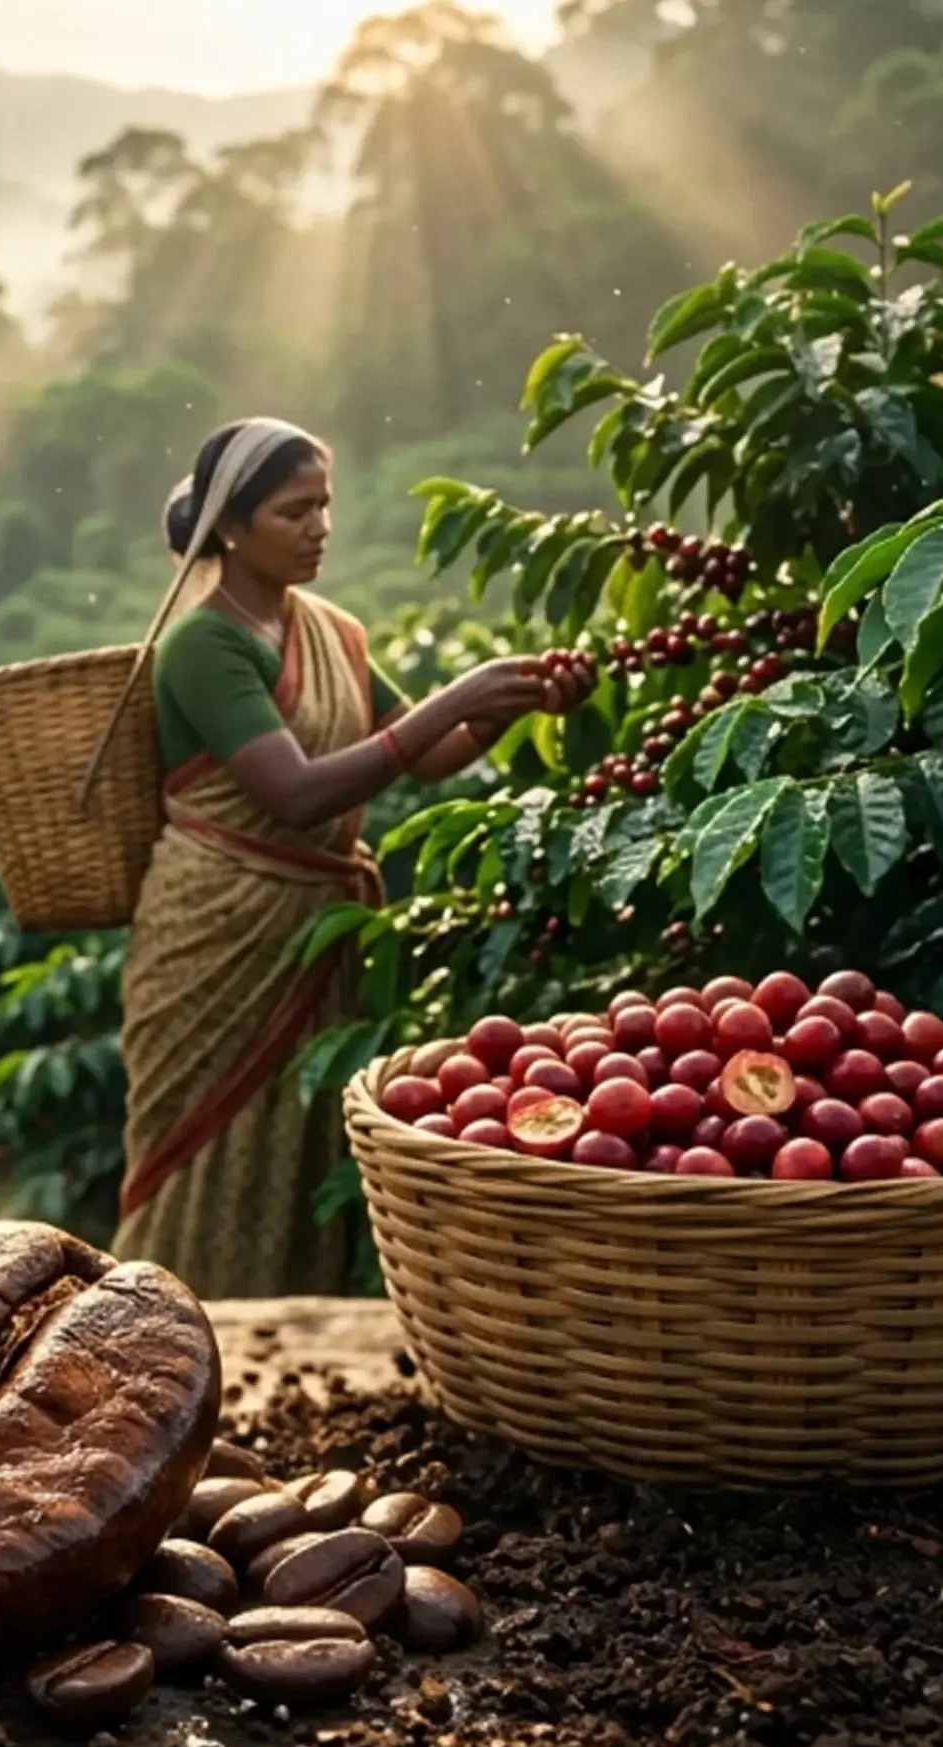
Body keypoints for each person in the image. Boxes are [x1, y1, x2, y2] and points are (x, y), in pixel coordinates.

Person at [112, 419, 593, 1294]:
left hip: (314, 927)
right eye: (294, 511)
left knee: (299, 1149)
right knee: (198, 1151)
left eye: (324, 506)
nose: (319, 527)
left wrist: (514, 700)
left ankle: (284, 1339)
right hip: (218, 931)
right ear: (229, 527)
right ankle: (160, 1340)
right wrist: (456, 698)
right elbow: (295, 793)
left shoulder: (331, 632)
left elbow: (432, 754)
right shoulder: (203, 643)